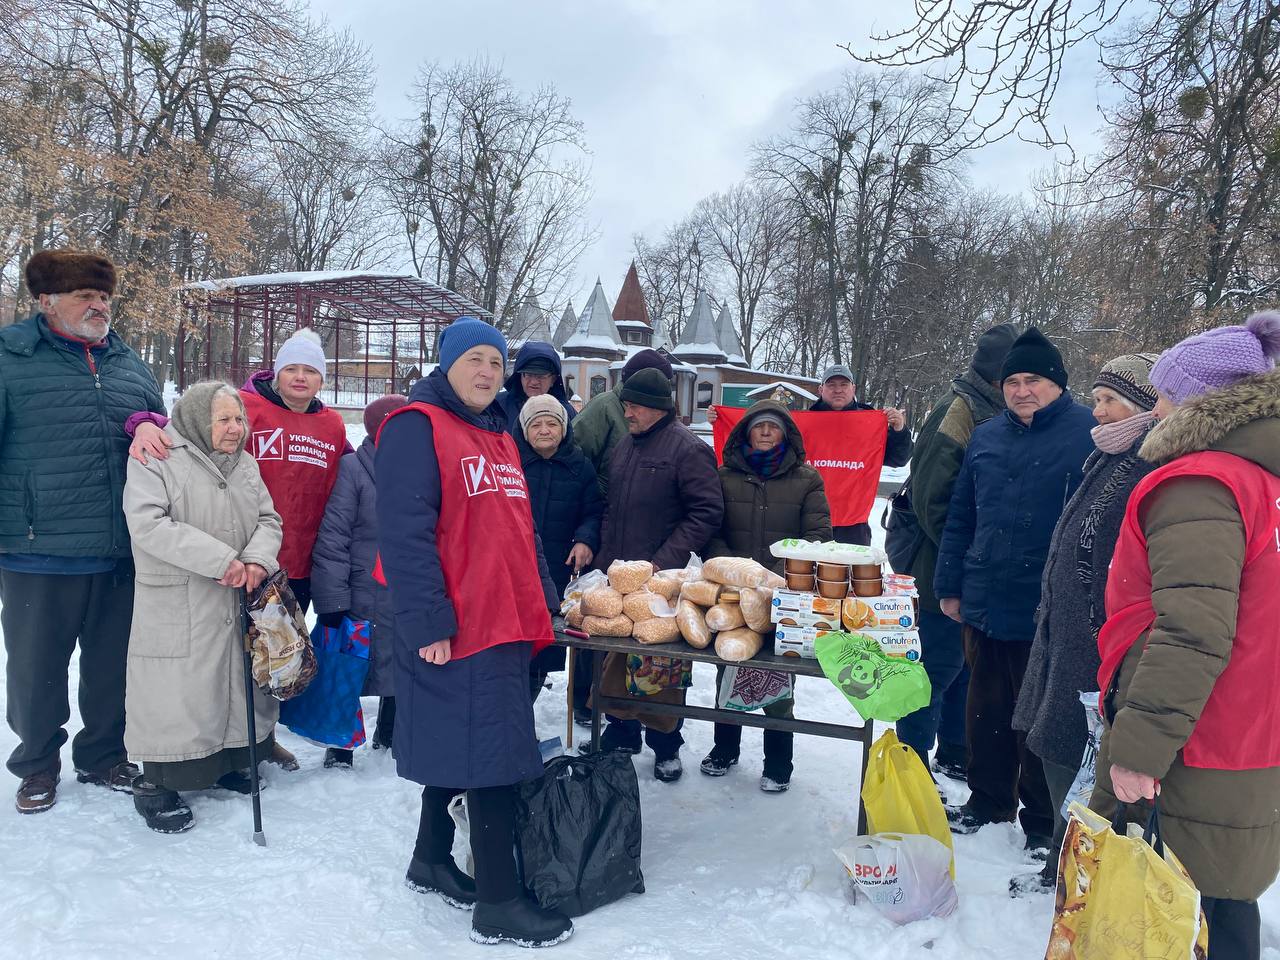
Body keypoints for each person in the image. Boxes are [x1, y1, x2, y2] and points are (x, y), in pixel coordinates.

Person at [376, 316, 571, 948]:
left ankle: (431, 858)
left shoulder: (499, 435)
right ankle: (498, 901)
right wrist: (427, 619)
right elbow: (402, 532)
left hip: (507, 617)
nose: (487, 371)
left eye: (496, 361)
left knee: (465, 742)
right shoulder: (416, 426)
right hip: (459, 622)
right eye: (474, 360)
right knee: (492, 753)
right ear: (447, 364)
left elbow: (522, 531)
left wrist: (546, 601)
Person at [1090, 312, 1280, 960]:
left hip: (1193, 743)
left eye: (1166, 396)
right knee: (1227, 904)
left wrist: (1138, 752)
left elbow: (1192, 632)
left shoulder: (1202, 483)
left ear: (1204, 403)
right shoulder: (1267, 483)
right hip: (1253, 736)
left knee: (1178, 912)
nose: (1155, 410)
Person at [128, 327, 349, 772]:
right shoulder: (245, 407)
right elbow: (187, 423)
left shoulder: (332, 425)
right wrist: (141, 424)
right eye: (292, 369)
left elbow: (350, 469)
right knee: (213, 662)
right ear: (276, 372)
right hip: (225, 560)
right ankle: (204, 751)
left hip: (289, 560)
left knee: (270, 655)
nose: (301, 378)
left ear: (323, 380)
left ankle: (259, 740)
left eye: (311, 371)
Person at [0, 250, 166, 815]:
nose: (99, 307)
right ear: (46, 301)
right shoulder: (10, 358)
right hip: (37, 546)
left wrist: (149, 424)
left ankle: (104, 756)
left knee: (112, 664)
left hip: (121, 546)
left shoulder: (128, 362)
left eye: (104, 298)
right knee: (35, 670)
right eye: (84, 297)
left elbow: (159, 430)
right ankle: (37, 764)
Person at [933, 327, 1095, 856]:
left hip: (1048, 605)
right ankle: (988, 798)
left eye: (1034, 381)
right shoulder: (987, 436)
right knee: (985, 708)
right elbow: (962, 515)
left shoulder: (1088, 433)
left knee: (1039, 720)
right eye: (1012, 381)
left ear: (1057, 384)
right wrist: (951, 586)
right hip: (985, 596)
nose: (1022, 390)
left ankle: (1044, 820)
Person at [1007, 353, 1160, 896]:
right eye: (1095, 399)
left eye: (1108, 400)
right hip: (1067, 633)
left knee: (1079, 760)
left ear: (1143, 405)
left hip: (1101, 643)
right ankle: (1060, 862)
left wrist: (1103, 630)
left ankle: (1078, 874)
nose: (1096, 412)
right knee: (1056, 750)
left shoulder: (1149, 465)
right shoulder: (1111, 457)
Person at [122, 381, 282, 832]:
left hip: (236, 591)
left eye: (239, 419)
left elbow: (269, 518)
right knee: (177, 691)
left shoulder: (246, 464)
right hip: (182, 594)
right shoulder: (158, 458)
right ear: (196, 420)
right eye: (224, 420)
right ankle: (158, 782)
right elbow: (148, 523)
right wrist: (221, 560)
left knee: (231, 681)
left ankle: (229, 761)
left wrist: (254, 559)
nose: (236, 429)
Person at [894, 323, 1018, 780]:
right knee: (933, 669)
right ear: (996, 375)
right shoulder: (958, 411)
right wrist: (974, 554)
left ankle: (954, 752)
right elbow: (934, 500)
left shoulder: (988, 408)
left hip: (968, 565)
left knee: (965, 667)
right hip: (937, 567)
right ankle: (911, 764)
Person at [592, 366, 724, 782]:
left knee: (660, 669)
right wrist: (605, 561)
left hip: (660, 582)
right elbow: (612, 507)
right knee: (615, 663)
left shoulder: (687, 448)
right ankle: (623, 733)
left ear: (656, 407)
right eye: (625, 404)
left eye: (632, 406)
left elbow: (706, 512)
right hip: (620, 579)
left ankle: (666, 746)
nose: (626, 412)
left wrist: (661, 563)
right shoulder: (626, 445)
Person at [703, 401, 831, 792]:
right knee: (729, 666)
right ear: (745, 434)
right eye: (757, 426)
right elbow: (710, 526)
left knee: (780, 672)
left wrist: (774, 578)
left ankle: (778, 762)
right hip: (732, 592)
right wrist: (734, 571)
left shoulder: (807, 479)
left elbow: (817, 536)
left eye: (772, 427)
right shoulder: (723, 476)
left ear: (784, 434)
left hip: (785, 593)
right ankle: (724, 749)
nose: (764, 432)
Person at [309, 393, 409, 768]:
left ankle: (391, 730)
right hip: (361, 588)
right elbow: (333, 537)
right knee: (349, 668)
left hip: (403, 588)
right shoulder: (353, 468)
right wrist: (332, 600)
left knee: (401, 661)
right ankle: (340, 745)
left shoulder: (421, 467)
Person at [515, 394, 603, 706]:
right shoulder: (510, 462)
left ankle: (525, 712)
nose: (544, 430)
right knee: (512, 645)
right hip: (512, 569)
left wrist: (585, 539)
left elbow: (593, 511)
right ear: (524, 430)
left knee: (545, 644)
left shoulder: (579, 466)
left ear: (563, 428)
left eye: (552, 423)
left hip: (556, 569)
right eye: (536, 424)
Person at [810, 363, 912, 545]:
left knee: (851, 573)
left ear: (853, 388)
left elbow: (898, 459)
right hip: (810, 521)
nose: (838, 390)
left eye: (843, 385)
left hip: (854, 526)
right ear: (821, 389)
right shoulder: (806, 423)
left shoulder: (870, 424)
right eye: (831, 385)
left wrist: (899, 430)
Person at [573, 348, 673, 496]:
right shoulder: (604, 406)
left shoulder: (662, 414)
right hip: (604, 507)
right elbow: (572, 455)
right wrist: (595, 495)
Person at [498, 341, 575, 433]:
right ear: (520, 376)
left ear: (553, 380)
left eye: (540, 376)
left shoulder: (566, 413)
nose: (534, 382)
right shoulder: (497, 406)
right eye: (528, 375)